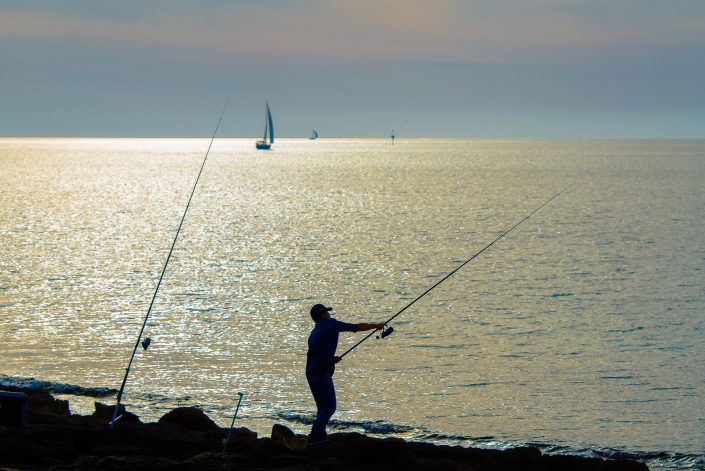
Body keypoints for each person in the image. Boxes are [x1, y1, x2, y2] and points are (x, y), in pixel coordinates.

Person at [305, 303, 385, 444]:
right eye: (327, 312)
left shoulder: (314, 332)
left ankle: (320, 435)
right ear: (323, 314)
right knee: (330, 406)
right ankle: (315, 435)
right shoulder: (331, 323)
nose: (329, 314)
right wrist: (376, 325)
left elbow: (316, 353)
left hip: (311, 372)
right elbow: (356, 327)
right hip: (321, 372)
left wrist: (331, 359)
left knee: (322, 407)